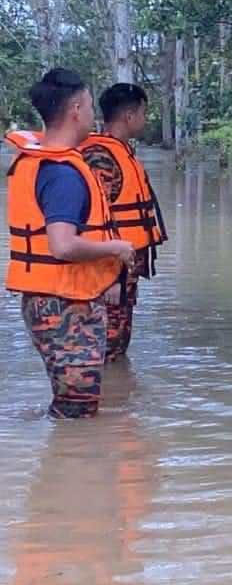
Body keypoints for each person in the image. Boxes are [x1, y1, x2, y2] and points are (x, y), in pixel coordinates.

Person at [6, 69, 135, 418]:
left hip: (55, 300)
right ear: (76, 109)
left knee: (72, 408)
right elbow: (62, 245)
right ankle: (70, 469)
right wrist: (116, 249)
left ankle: (62, 464)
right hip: (65, 306)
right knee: (77, 413)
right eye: (91, 107)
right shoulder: (62, 174)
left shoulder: (44, 164)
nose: (94, 117)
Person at [80, 83, 167, 362]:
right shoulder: (101, 157)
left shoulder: (121, 151)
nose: (146, 119)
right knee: (106, 350)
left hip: (122, 270)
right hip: (110, 272)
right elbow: (94, 220)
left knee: (116, 349)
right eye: (144, 113)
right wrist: (109, 278)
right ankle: (108, 402)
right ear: (129, 116)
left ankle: (119, 401)